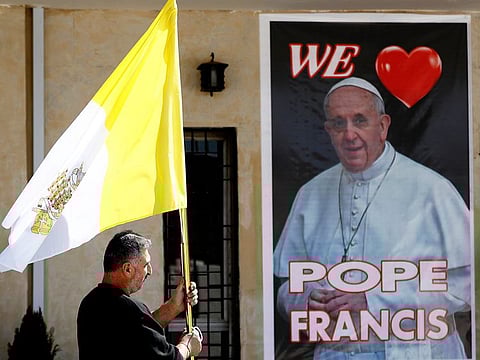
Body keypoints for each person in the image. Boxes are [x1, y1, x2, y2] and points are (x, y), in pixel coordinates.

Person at [273, 77, 471, 359]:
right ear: (328, 130)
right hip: (336, 352)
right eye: (338, 123)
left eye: (360, 120)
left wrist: (373, 300)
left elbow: (464, 286)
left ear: (383, 126)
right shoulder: (311, 194)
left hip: (411, 352)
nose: (349, 134)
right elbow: (285, 286)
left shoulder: (430, 189)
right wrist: (306, 300)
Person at [77, 230, 203, 360]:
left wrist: (174, 306)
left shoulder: (90, 303)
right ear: (127, 269)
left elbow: (137, 332)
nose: (150, 271)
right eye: (146, 265)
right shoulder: (130, 310)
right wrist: (188, 345)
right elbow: (169, 357)